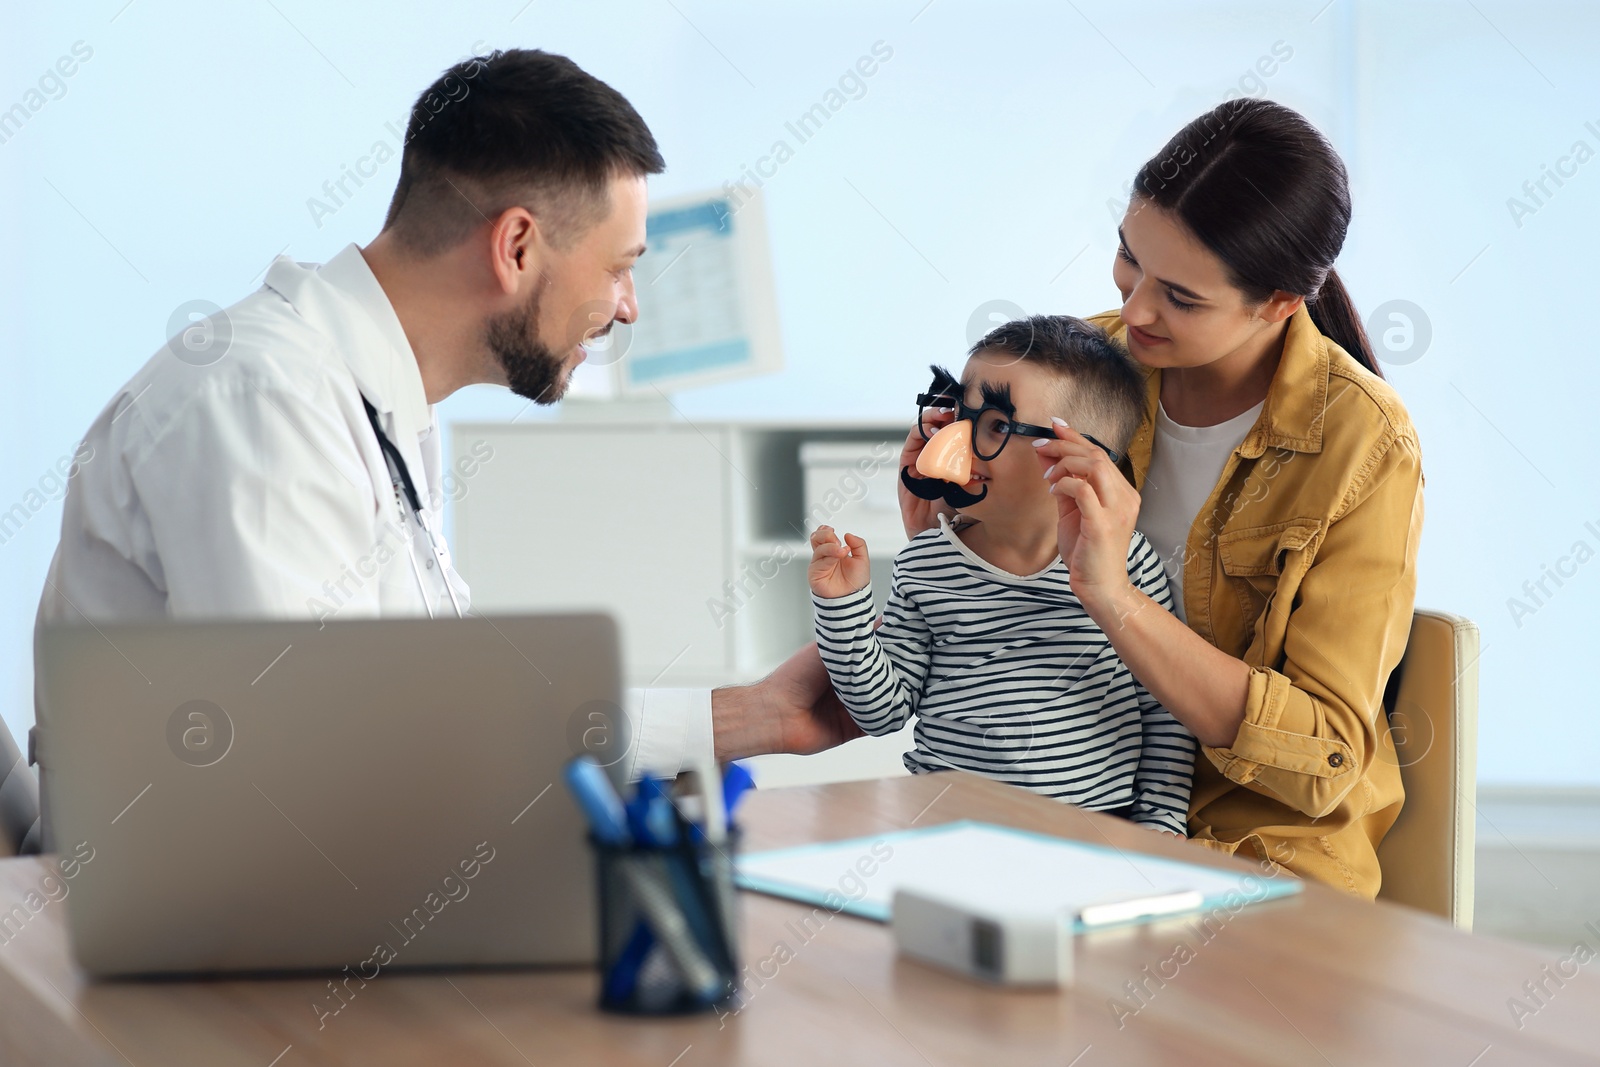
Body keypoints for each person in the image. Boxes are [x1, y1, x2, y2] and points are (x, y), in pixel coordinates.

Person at [28, 49, 855, 850]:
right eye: (619, 269)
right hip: (192, 948)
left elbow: (433, 720)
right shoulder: (260, 403)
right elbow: (319, 771)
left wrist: (749, 716)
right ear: (517, 246)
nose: (628, 307)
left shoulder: (366, 403)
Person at [901, 98, 1423, 898]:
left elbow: (1327, 756)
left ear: (1279, 301)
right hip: (1069, 813)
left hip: (1254, 848)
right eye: (1127, 259)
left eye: (1180, 297)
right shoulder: (1088, 366)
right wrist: (946, 524)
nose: (1135, 308)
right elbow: (993, 604)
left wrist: (1115, 599)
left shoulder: (1364, 444)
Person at [810, 316, 1196, 834]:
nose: (959, 443)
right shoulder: (926, 562)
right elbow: (882, 713)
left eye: (995, 425)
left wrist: (1161, 829)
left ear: (1078, 461)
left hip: (1092, 837)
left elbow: (1166, 708)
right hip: (944, 829)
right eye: (957, 417)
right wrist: (844, 609)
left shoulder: (1127, 564)